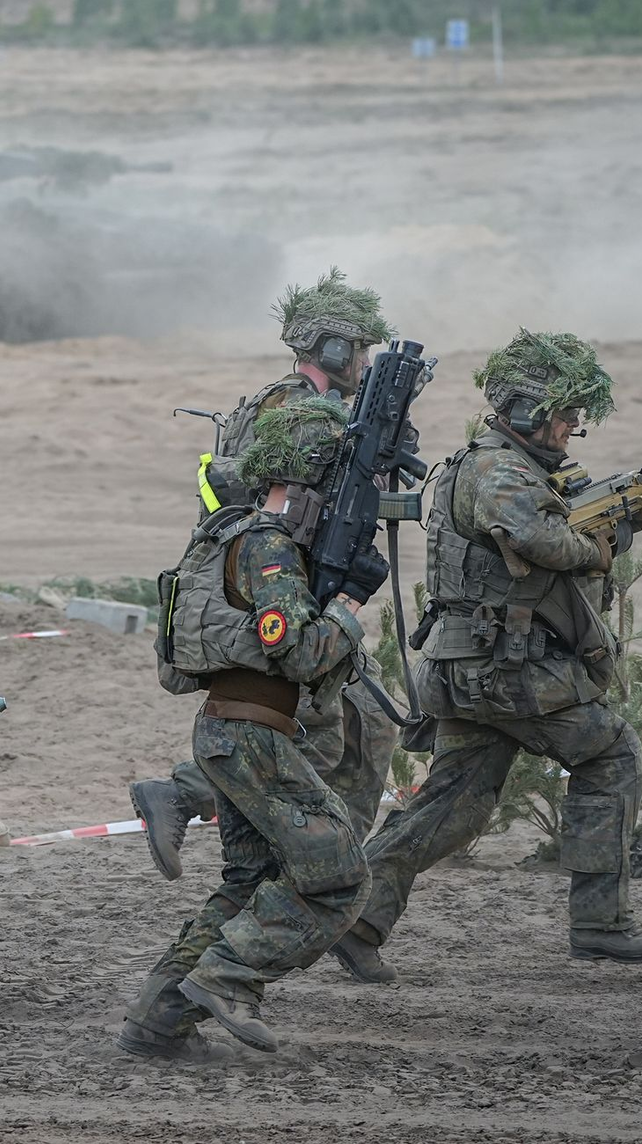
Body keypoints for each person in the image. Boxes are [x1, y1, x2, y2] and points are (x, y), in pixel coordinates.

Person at [332, 329, 642, 984]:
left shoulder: (509, 465)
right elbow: (540, 539)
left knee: (454, 806)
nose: (569, 429)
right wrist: (600, 547)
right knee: (611, 753)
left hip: (482, 668)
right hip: (506, 671)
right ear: (529, 412)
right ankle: (600, 924)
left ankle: (356, 918)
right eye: (563, 416)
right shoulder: (496, 469)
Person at [119, 398, 389, 1061]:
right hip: (254, 737)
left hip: (230, 733)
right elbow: (300, 653)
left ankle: (160, 1015)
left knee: (249, 881)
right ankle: (227, 979)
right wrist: (350, 608)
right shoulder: (268, 546)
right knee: (339, 876)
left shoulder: (234, 532)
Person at [131, 268, 398, 879]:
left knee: (362, 725)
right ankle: (310, 872)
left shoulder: (285, 405)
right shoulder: (300, 414)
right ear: (332, 348)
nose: (363, 361)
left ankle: (327, 877)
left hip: (285, 589)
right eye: (358, 348)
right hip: (287, 594)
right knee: (317, 732)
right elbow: (296, 513)